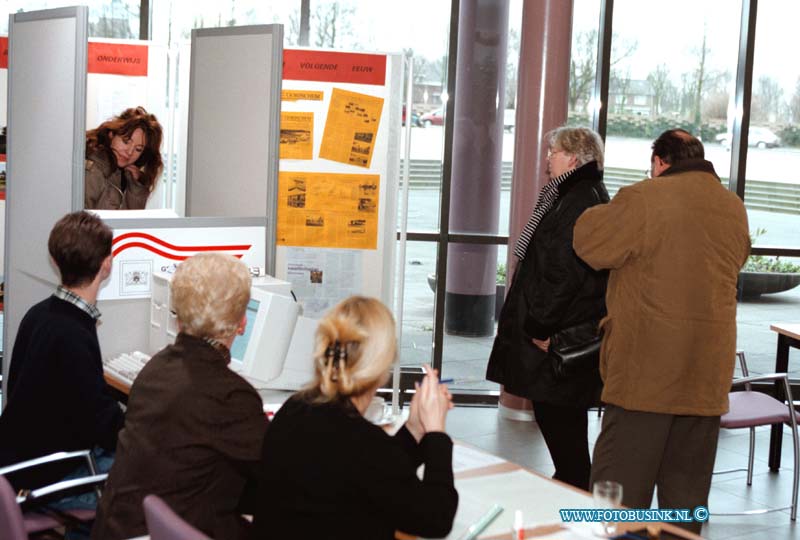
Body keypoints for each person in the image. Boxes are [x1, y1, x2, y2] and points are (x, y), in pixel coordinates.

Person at [574, 129, 750, 533]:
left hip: (645, 376)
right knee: (685, 505)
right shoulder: (732, 207)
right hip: (705, 377)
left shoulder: (644, 198)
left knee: (618, 502)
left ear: (659, 162)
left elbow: (590, 243)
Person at [91, 253, 269, 540]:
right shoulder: (229, 394)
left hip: (119, 527)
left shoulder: (158, 366)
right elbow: (276, 473)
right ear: (240, 322)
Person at [253, 296, 458, 540]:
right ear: (382, 370)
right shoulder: (362, 443)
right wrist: (436, 431)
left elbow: (376, 474)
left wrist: (414, 428)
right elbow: (436, 519)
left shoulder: (296, 408)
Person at [486, 126, 609, 490]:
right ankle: (571, 486)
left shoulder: (579, 200)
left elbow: (563, 273)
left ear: (572, 157)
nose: (547, 159)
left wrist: (540, 329)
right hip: (556, 328)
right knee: (558, 419)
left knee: (561, 421)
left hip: (556, 333)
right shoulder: (571, 193)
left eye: (552, 152)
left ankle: (576, 496)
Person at [0, 211, 123, 489]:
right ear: (107, 264)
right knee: (145, 467)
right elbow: (103, 425)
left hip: (16, 461)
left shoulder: (39, 313)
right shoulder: (73, 334)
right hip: (45, 475)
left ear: (54, 260)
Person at [84, 106, 163, 210]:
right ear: (111, 134)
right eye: (126, 141)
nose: (129, 152)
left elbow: (131, 223)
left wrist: (135, 187)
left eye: (138, 149)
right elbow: (79, 223)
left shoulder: (124, 175)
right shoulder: (94, 169)